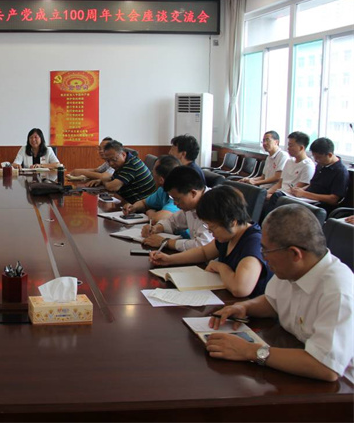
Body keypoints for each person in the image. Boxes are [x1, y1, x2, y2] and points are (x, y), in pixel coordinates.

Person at [207, 204, 353, 383]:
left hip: (341, 387)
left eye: (266, 250)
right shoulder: (291, 269)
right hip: (294, 356)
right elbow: (272, 302)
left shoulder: (338, 291)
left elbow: (325, 367)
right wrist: (244, 307)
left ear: (294, 254)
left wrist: (249, 351)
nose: (263, 256)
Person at [150, 186, 272, 298]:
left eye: (212, 227)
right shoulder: (229, 235)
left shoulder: (254, 243)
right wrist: (169, 259)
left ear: (232, 222)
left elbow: (240, 289)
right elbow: (203, 252)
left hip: (248, 308)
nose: (209, 230)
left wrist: (220, 266)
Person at [141, 166, 214, 250]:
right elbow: (174, 222)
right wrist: (157, 228)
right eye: (172, 199)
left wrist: (166, 242)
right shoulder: (191, 206)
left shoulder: (212, 205)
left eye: (177, 199)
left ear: (193, 193)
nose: (175, 203)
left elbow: (203, 245)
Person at [290, 137, 348, 211]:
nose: (316, 160)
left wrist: (304, 194)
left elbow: (333, 199)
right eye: (314, 156)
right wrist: (300, 190)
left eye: (318, 157)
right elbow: (313, 185)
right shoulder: (321, 165)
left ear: (330, 155)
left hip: (320, 206)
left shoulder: (340, 172)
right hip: (308, 199)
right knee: (282, 198)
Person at [122, 154, 182, 224]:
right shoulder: (162, 190)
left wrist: (150, 213)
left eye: (153, 172)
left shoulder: (178, 195)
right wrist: (133, 207)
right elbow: (144, 203)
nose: (151, 173)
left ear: (161, 180)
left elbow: (156, 219)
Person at [265, 131, 315, 200]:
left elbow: (297, 189)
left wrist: (271, 196)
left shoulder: (308, 166)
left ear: (301, 148)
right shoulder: (289, 161)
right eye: (288, 145)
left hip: (290, 197)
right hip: (279, 193)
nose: (288, 148)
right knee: (261, 194)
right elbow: (280, 183)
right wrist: (267, 192)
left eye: (291, 146)